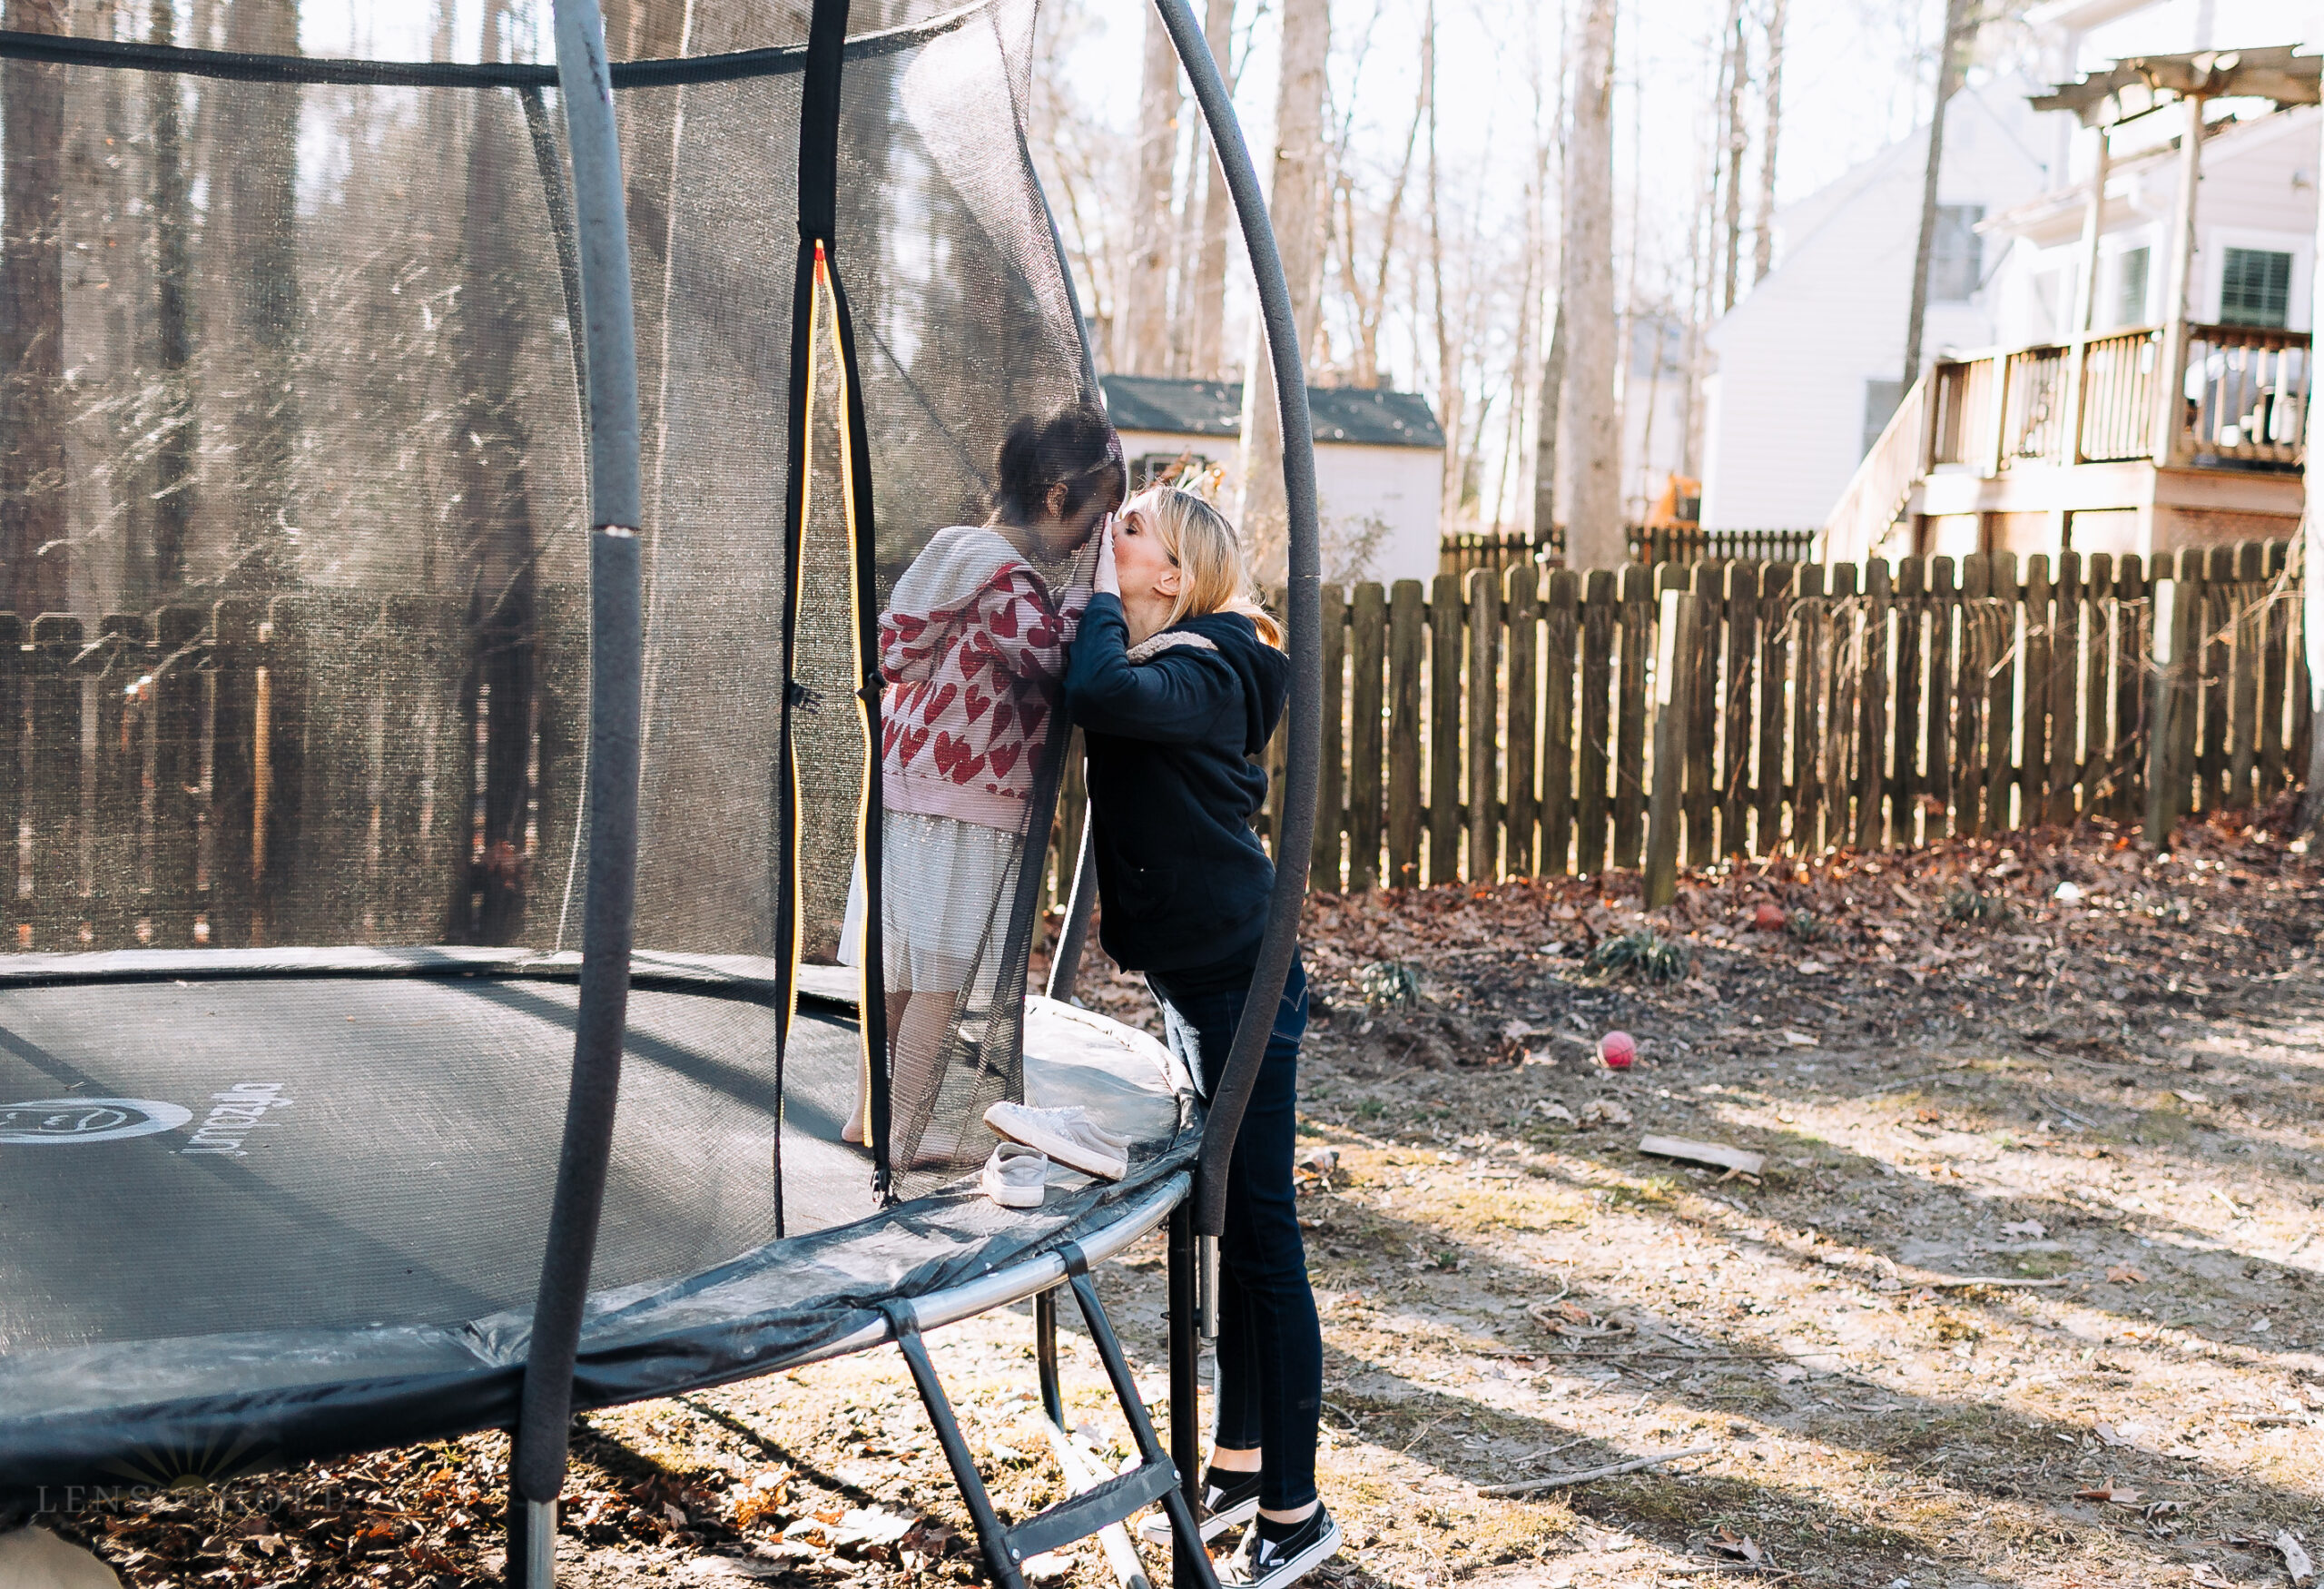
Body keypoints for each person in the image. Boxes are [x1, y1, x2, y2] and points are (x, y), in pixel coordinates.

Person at [1059, 486, 1338, 1586]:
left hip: (1241, 985)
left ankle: (1297, 1511)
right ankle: (1237, 1461)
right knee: (1233, 1221)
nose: (1107, 541)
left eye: (1126, 533)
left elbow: (1095, 689)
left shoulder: (1204, 667)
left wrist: (1083, 593)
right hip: (1201, 982)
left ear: (1170, 576)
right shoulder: (1183, 656)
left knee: (1264, 1239)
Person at [840, 400, 1122, 1167]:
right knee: (939, 973)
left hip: (907, 789)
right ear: (1061, 498)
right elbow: (1055, 659)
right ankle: (905, 1131)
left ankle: (870, 1113)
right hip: (967, 800)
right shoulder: (1005, 577)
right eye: (1096, 520)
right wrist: (1097, 584)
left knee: (899, 964)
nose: (1093, 538)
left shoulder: (950, 557)